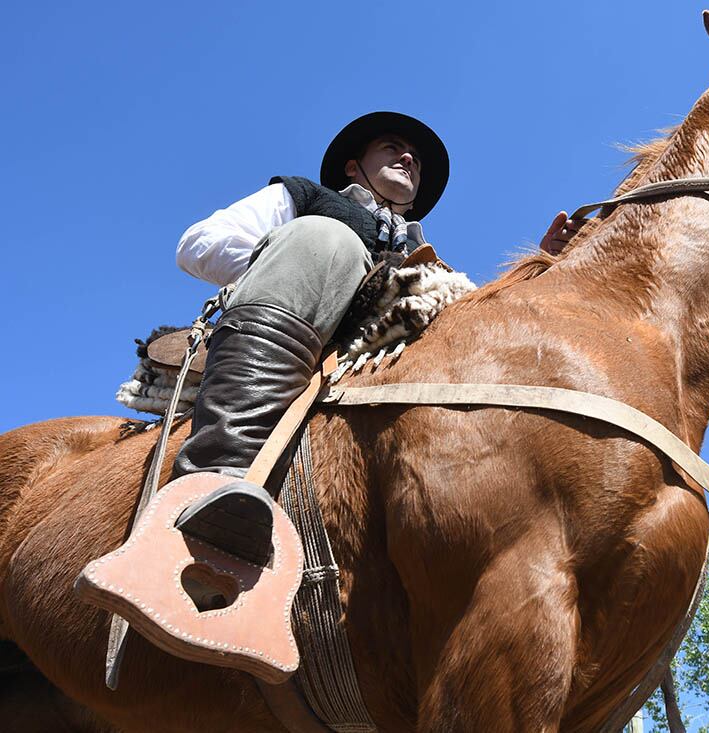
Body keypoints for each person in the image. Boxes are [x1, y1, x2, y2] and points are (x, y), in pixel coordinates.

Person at [171, 111, 581, 565]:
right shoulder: (305, 197)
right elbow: (200, 244)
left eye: (417, 161)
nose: (409, 158)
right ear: (352, 166)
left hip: (383, 365)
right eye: (391, 146)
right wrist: (309, 265)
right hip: (294, 335)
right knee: (324, 238)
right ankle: (218, 474)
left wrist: (543, 268)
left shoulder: (431, 265)